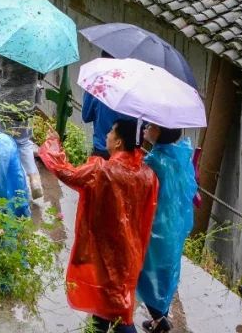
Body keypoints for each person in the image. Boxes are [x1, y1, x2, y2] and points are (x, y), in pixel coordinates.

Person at [39, 118, 159, 333]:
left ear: (119, 142)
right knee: (109, 302)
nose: (107, 136)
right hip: (130, 251)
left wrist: (53, 145)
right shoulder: (147, 174)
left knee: (119, 312)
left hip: (105, 252)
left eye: (111, 133)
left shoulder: (101, 170)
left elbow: (67, 173)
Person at [136, 124, 197, 333]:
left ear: (159, 132)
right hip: (174, 227)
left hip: (156, 230)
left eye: (151, 126)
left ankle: (160, 321)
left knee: (147, 275)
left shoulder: (153, 162)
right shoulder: (180, 156)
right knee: (165, 274)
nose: (145, 127)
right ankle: (158, 318)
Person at [0, 52, 43, 200]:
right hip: (26, 106)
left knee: (1, 143)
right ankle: (35, 180)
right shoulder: (36, 53)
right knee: (24, 143)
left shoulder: (5, 50)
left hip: (4, 105)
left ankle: (2, 184)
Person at [81, 51, 136, 158]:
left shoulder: (97, 84)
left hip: (102, 150)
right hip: (127, 156)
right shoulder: (133, 87)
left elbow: (86, 116)